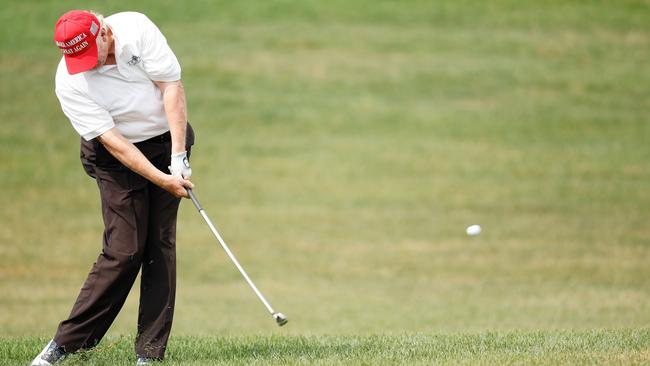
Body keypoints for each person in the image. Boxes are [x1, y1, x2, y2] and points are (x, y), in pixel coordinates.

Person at [31, 10, 194, 366]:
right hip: (114, 156)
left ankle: (149, 353)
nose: (89, 66)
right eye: (79, 59)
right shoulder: (69, 82)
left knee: (159, 243)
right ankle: (65, 344)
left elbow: (171, 86)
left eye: (94, 53)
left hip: (165, 139)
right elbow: (113, 141)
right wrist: (162, 179)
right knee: (124, 250)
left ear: (103, 31)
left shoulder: (136, 29)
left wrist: (178, 157)